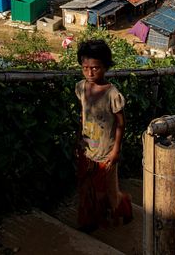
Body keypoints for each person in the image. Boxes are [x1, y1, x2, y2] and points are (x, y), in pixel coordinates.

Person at [75, 39, 132, 232]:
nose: (90, 73)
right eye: (85, 68)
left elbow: (120, 123)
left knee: (107, 192)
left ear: (106, 67)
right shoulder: (82, 87)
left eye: (95, 68)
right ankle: (88, 223)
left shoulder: (112, 95)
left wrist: (115, 150)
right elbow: (83, 114)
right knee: (86, 187)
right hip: (87, 147)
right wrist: (79, 139)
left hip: (106, 151)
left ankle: (122, 208)